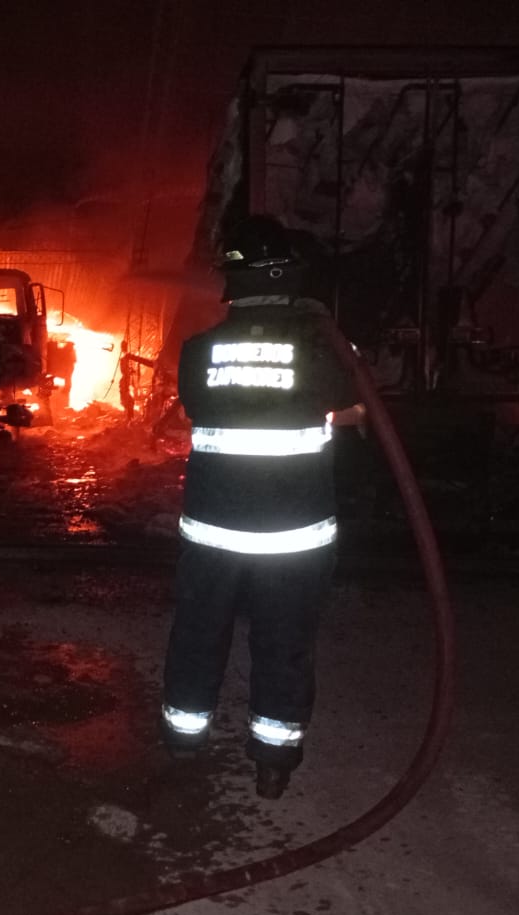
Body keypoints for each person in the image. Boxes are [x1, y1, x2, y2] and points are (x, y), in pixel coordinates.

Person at [160, 214, 365, 800]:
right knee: (284, 643)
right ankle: (273, 764)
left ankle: (183, 744)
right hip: (294, 537)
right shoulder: (323, 347)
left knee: (198, 634)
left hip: (213, 533)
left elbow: (202, 407)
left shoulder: (199, 351)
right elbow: (358, 408)